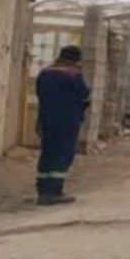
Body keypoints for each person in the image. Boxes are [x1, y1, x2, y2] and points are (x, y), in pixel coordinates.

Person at [35, 45, 90, 205]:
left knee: (47, 153)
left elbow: (40, 96)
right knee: (62, 155)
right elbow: (84, 96)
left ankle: (42, 191)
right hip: (67, 121)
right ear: (76, 59)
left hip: (46, 120)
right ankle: (54, 192)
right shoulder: (73, 75)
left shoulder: (44, 73)